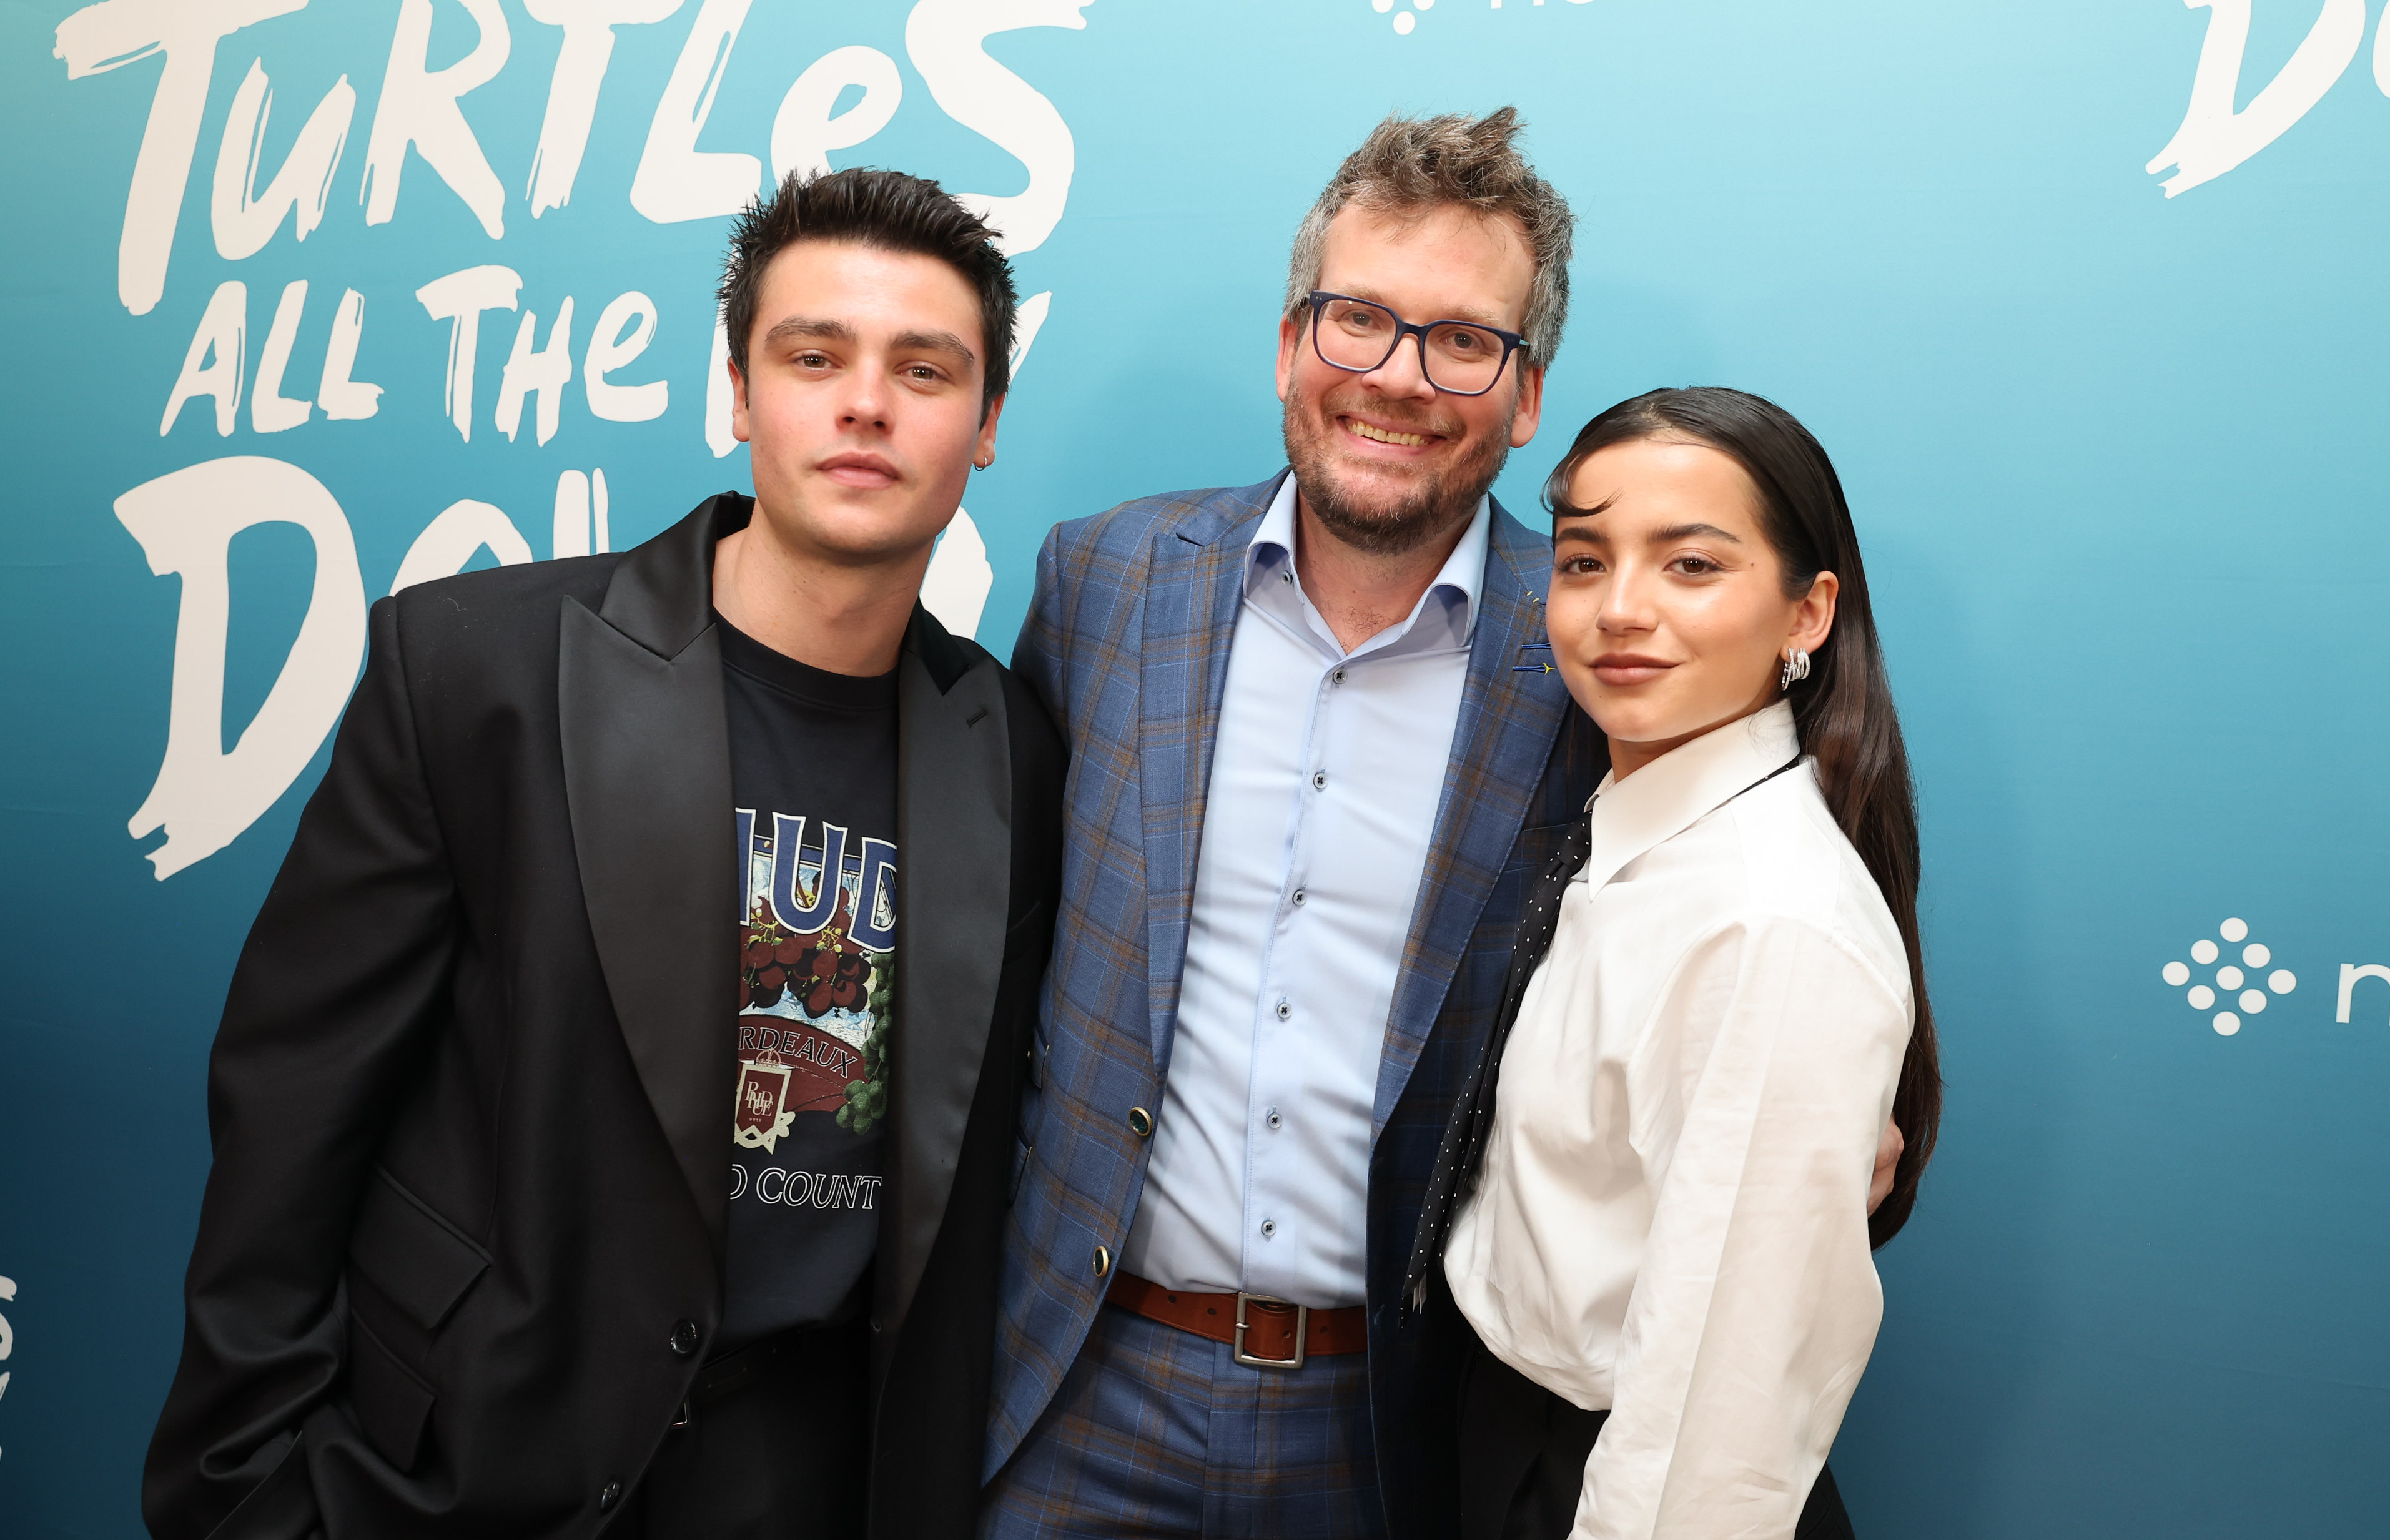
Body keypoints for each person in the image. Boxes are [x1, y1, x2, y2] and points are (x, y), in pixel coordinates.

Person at [141, 167, 1064, 1540]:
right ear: (741, 393)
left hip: (809, 1485)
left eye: (923, 369)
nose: (865, 402)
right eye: (814, 356)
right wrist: (247, 1488)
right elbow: (291, 1109)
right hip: (460, 1469)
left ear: (985, 423)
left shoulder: (1015, 751)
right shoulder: (472, 670)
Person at [979, 107, 1601, 1540]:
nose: (1397, 378)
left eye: (1462, 341)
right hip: (1079, 1385)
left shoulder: (1585, 662)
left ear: (1523, 396)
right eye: (1359, 320)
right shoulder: (1105, 583)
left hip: (1386, 1433)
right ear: (1288, 346)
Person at [1415, 387, 1943, 1540]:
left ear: (1807, 614)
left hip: (1620, 1484)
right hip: (1495, 1434)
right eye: (1584, 562)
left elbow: (1726, 1402)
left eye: (1691, 567)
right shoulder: (1626, 828)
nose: (1620, 610)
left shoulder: (1773, 917)